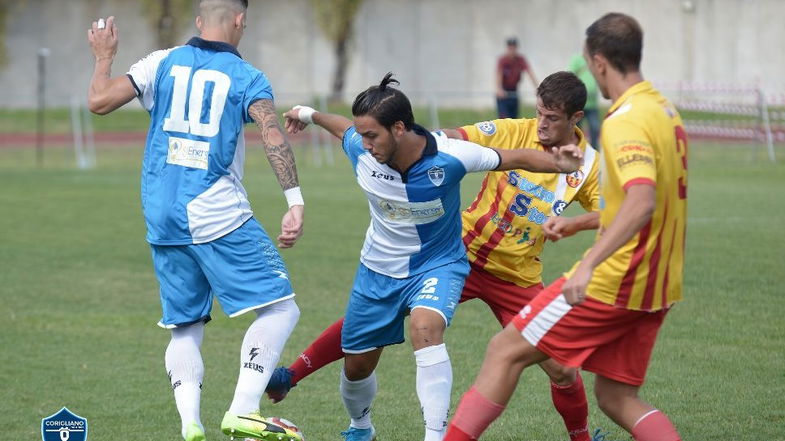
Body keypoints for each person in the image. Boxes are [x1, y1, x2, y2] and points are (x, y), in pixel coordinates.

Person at [267, 71, 603, 441]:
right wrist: (418, 140)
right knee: (377, 320)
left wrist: (577, 223)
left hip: (517, 275)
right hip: (459, 253)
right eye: (539, 112)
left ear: (576, 118)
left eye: (552, 118)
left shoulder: (589, 165)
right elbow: (460, 138)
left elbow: (618, 212)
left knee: (562, 369)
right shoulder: (512, 129)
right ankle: (292, 375)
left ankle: (582, 439)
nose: (541, 124)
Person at [442, 12, 688, 441]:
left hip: (618, 278)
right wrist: (577, 227)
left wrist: (591, 261)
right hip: (661, 281)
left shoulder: (624, 120)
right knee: (617, 398)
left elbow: (642, 200)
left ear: (597, 63)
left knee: (504, 351)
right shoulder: (665, 111)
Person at [86, 2, 305, 441]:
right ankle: (244, 410)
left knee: (184, 324)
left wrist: (104, 56)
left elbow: (98, 101)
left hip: (160, 211)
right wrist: (294, 200)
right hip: (213, 209)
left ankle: (190, 424)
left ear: (199, 21)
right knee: (282, 307)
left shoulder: (160, 61)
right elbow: (271, 133)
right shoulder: (248, 78)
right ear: (240, 21)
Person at [496, 37, 538, 119]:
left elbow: (530, 73)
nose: (512, 50)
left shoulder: (521, 59)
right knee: (504, 119)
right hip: (504, 92)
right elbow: (498, 74)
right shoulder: (503, 60)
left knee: (514, 119)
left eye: (513, 47)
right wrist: (499, 89)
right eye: (510, 48)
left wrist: (537, 87)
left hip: (514, 90)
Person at [569, 52, 601, 149]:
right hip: (578, 103)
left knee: (595, 128)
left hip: (592, 104)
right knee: (576, 129)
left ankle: (594, 149)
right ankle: (577, 148)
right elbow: (570, 75)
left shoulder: (597, 60)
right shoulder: (577, 60)